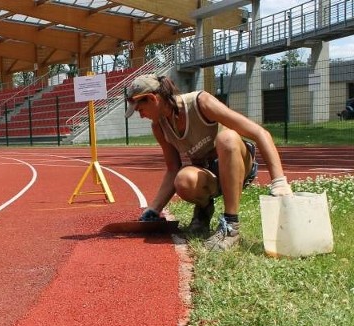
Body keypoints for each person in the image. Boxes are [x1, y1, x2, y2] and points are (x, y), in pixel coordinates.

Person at [125, 74, 293, 251]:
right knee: (183, 180)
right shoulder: (159, 126)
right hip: (209, 173)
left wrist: (279, 182)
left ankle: (231, 225)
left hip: (238, 164)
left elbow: (260, 133)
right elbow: (173, 168)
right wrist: (154, 209)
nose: (141, 115)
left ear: (152, 98)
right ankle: (204, 211)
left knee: (227, 138)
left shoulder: (200, 103)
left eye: (140, 109)